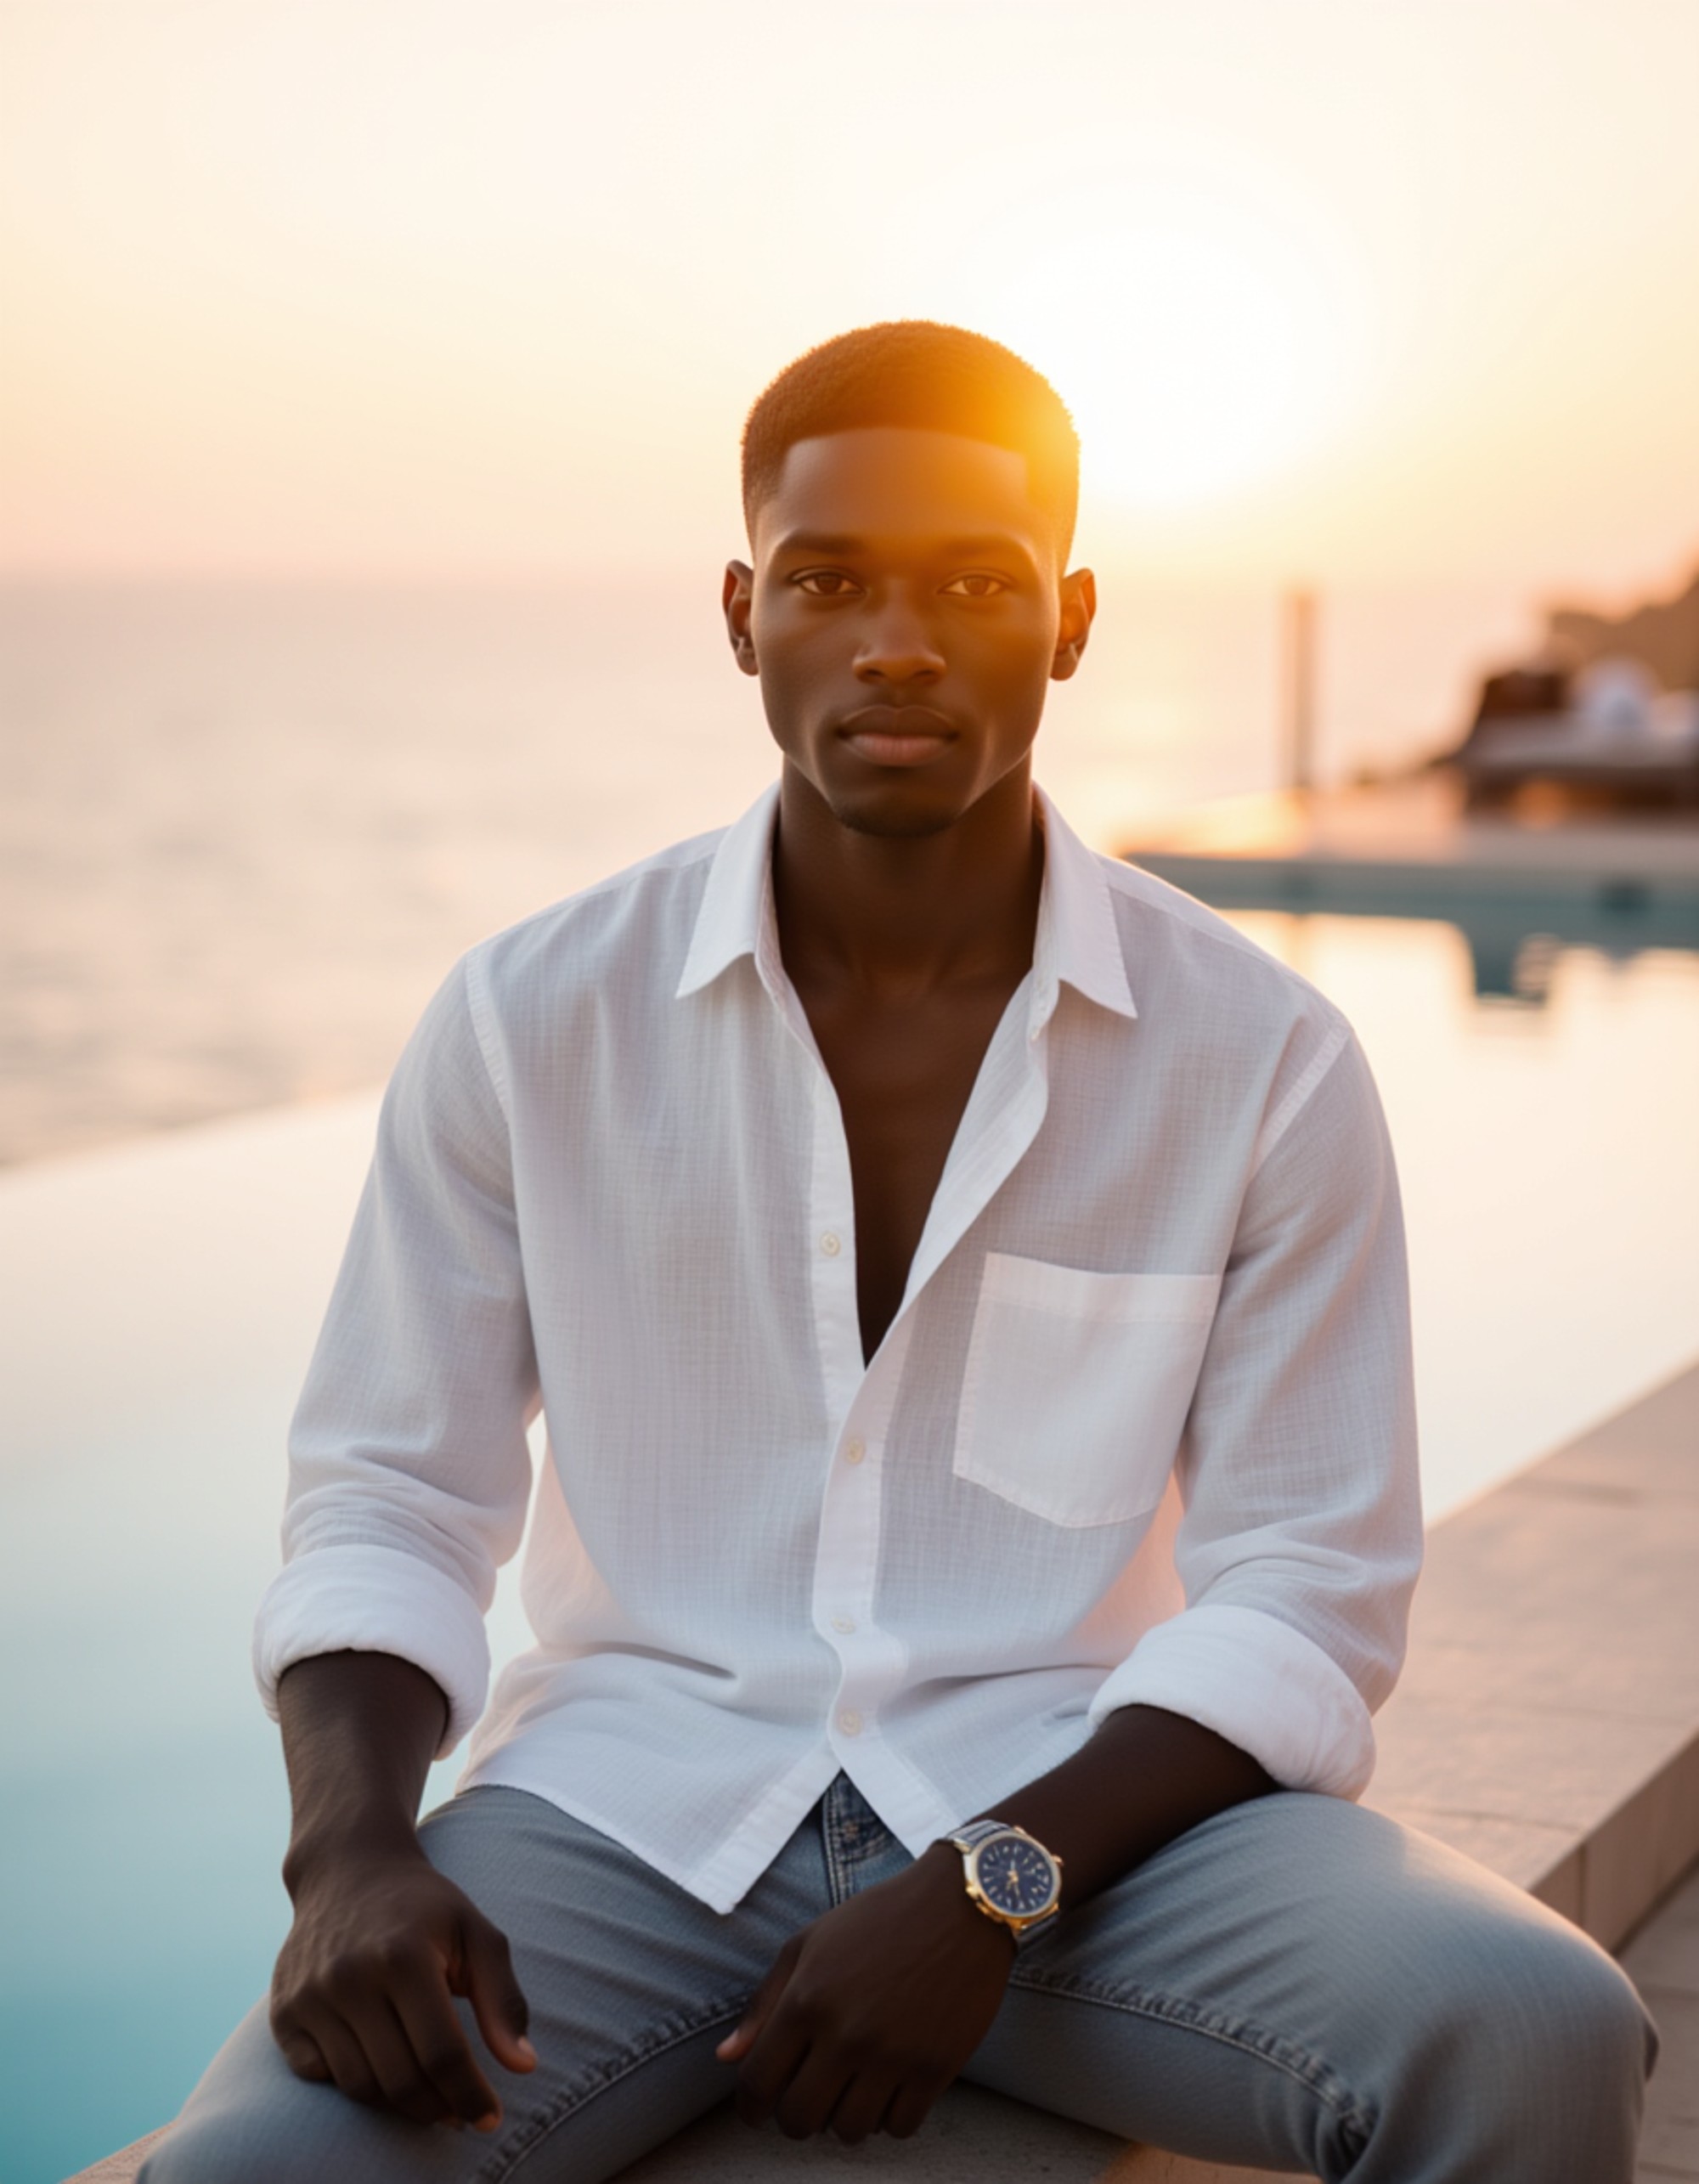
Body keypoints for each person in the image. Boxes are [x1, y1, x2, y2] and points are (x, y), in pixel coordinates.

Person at [143, 321, 1651, 2184]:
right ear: (741, 613)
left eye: (975, 585)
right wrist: (352, 1855)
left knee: (1536, 2027)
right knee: (249, 2172)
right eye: (829, 580)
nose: (898, 642)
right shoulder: (535, 1017)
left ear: (1071, 621)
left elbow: (1308, 1589)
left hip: (1083, 1821)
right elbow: (388, 1493)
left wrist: (995, 1884)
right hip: (624, 1813)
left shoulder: (1260, 1057)